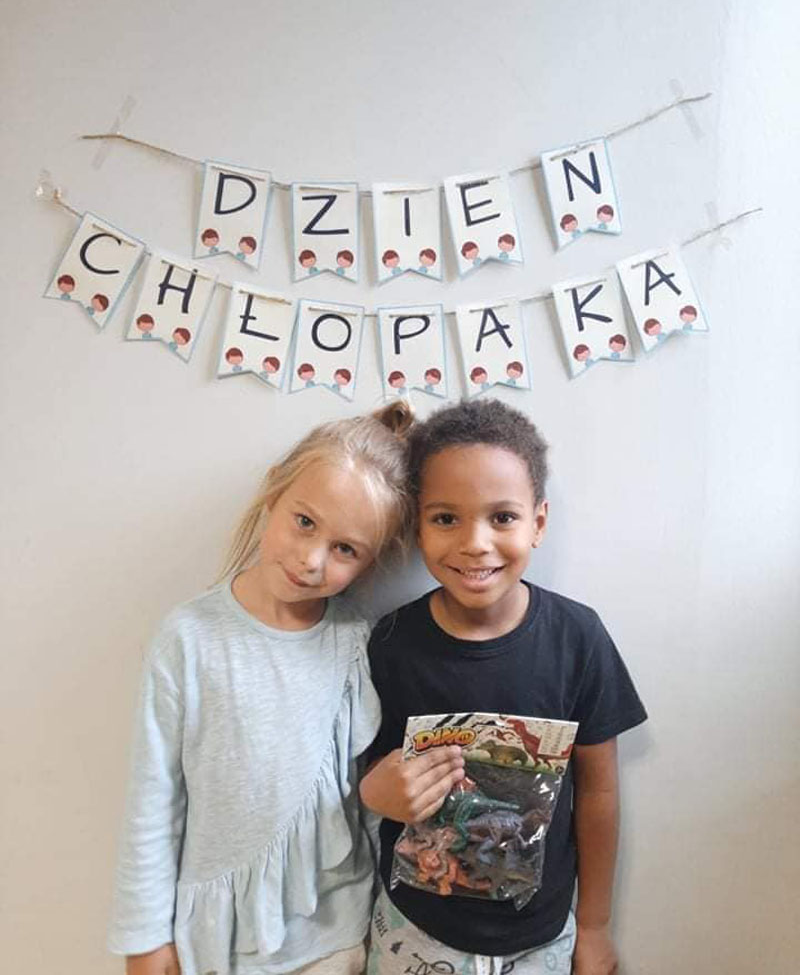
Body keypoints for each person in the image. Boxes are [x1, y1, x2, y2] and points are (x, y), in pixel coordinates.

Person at [108, 402, 415, 975]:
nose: (311, 560)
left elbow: (364, 797)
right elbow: (154, 799)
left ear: (370, 563)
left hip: (335, 939)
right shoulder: (189, 637)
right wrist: (145, 939)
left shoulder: (355, 643)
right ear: (274, 491)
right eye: (305, 522)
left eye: (345, 549)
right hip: (217, 941)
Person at [360, 400, 646, 975]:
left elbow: (598, 791)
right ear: (417, 523)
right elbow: (365, 769)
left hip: (539, 937)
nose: (475, 543)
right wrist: (375, 792)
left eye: (503, 517)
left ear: (538, 523)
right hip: (414, 930)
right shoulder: (390, 642)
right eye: (446, 518)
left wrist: (594, 926)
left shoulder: (578, 638)